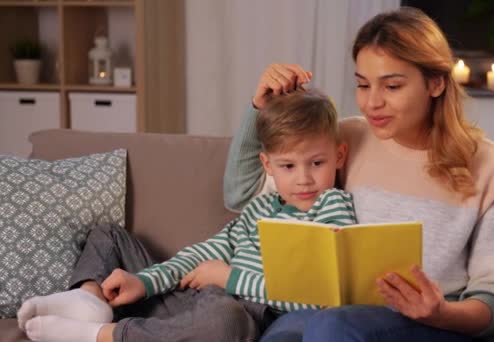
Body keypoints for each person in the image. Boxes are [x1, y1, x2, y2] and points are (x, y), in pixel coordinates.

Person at [223, 7, 494, 342]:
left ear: (436, 83)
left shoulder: (490, 166)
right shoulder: (349, 138)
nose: (372, 103)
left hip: (436, 326)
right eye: (363, 85)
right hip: (337, 314)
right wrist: (259, 108)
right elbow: (242, 194)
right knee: (284, 334)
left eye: (392, 86)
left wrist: (441, 313)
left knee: (333, 327)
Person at [18, 88, 357, 342]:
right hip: (199, 300)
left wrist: (229, 279)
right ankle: (90, 298)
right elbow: (205, 255)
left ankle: (100, 335)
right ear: (268, 165)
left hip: (243, 315)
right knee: (109, 235)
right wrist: (145, 281)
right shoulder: (260, 209)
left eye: (317, 162)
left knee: (222, 321)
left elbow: (319, 297)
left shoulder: (333, 208)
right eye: (288, 166)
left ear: (339, 156)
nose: (304, 178)